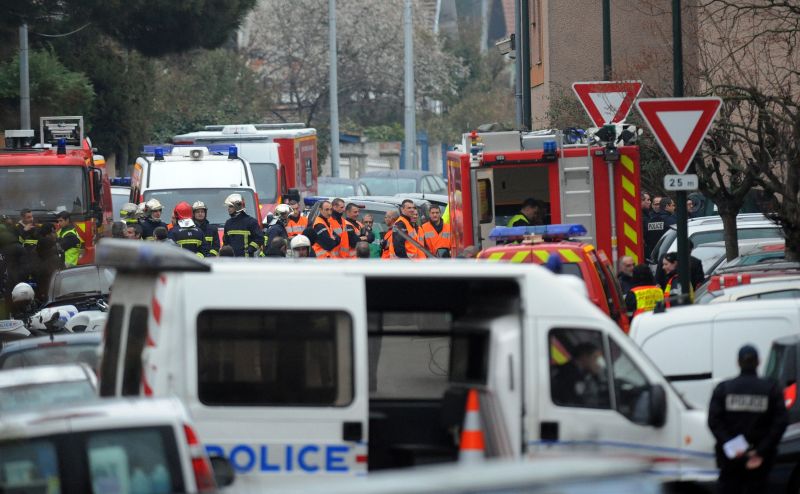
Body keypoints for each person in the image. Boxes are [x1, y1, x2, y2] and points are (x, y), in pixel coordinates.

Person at [708, 345, 788, 494]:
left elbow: (714, 421)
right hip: (760, 462)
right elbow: (780, 422)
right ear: (759, 362)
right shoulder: (771, 389)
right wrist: (760, 451)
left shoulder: (724, 389)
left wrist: (733, 446)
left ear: (738, 363)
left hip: (731, 461)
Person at [551, 342, 609, 408]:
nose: (598, 364)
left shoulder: (586, 375)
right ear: (584, 357)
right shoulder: (565, 375)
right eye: (595, 358)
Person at [222, 193, 263, 258]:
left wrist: (250, 249)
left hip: (247, 261)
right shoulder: (228, 223)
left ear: (237, 206)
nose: (228, 209)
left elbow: (259, 239)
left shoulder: (251, 222)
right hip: (232, 261)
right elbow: (226, 242)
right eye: (228, 206)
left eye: (230, 206)